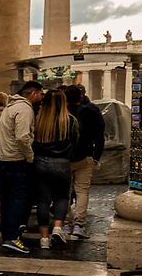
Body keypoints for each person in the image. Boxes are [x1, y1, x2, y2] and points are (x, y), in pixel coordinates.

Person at [0, 82, 41, 255]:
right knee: (18, 198)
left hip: (1, 157)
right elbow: (22, 136)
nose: (41, 98)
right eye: (40, 94)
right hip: (15, 158)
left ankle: (8, 235)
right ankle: (12, 236)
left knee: (7, 198)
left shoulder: (10, 107)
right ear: (33, 93)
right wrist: (30, 155)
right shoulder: (25, 109)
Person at [31, 86, 83, 249]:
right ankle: (58, 227)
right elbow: (76, 142)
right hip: (61, 162)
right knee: (61, 196)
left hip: (40, 162)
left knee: (43, 200)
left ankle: (44, 239)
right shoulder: (70, 120)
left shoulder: (38, 120)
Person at [70, 93, 106, 231]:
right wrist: (97, 156)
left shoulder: (61, 113)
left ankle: (65, 221)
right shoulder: (91, 112)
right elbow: (99, 136)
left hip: (64, 157)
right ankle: (79, 223)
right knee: (82, 191)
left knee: (63, 192)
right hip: (85, 155)